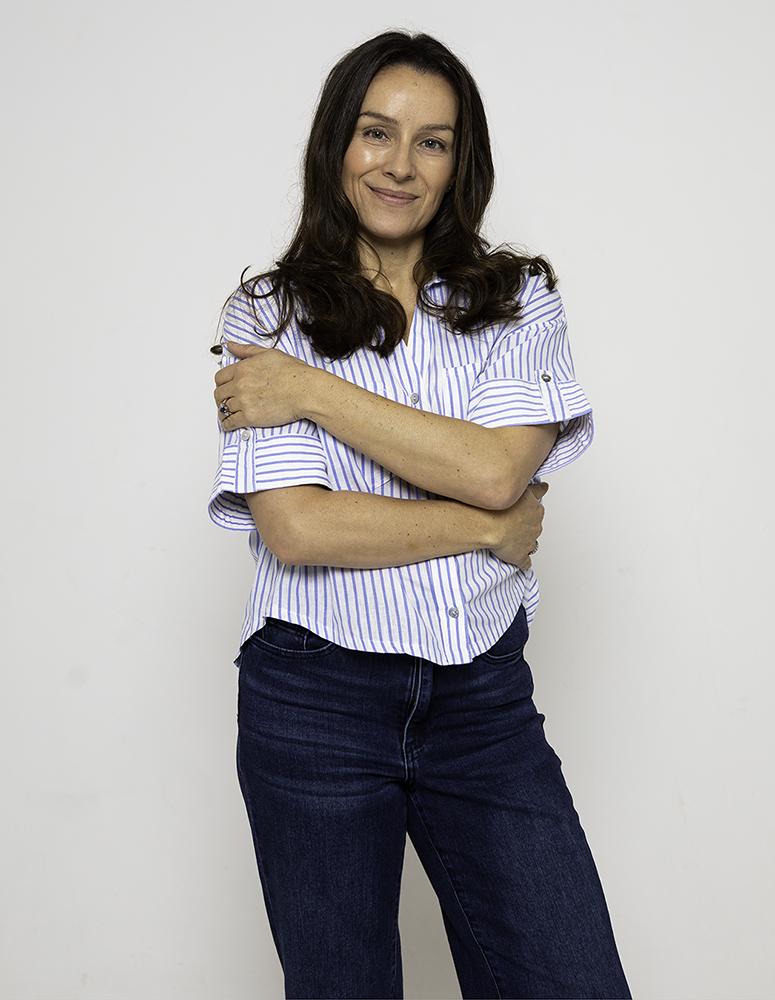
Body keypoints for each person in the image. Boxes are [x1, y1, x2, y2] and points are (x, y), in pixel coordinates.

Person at [209, 30, 630, 1000]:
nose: (399, 164)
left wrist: (309, 392)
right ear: (336, 143)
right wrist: (484, 527)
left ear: (457, 163)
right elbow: (299, 530)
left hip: (482, 701)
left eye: (431, 142)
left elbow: (496, 468)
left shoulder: (517, 301)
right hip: (312, 698)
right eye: (376, 132)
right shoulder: (264, 317)